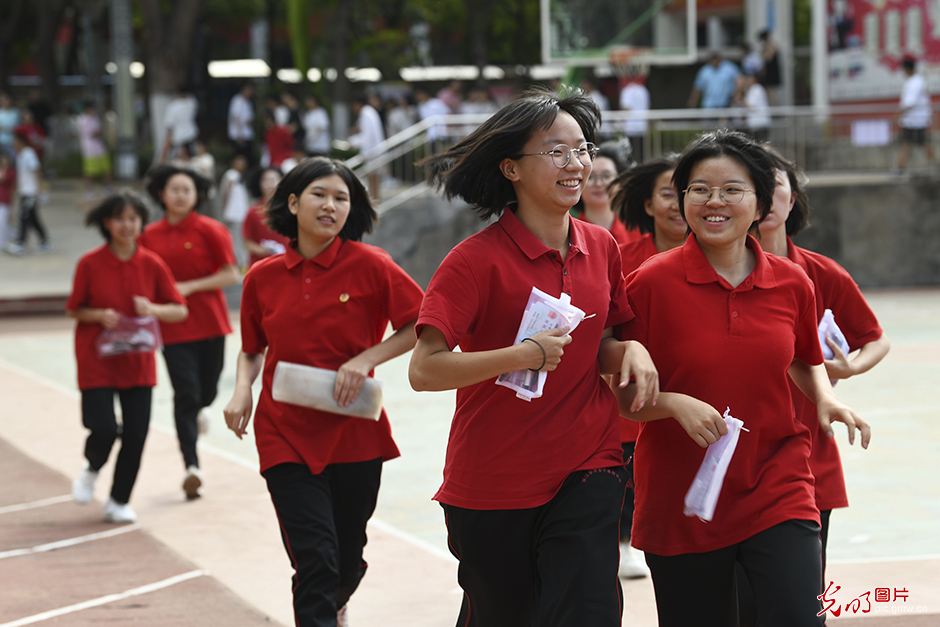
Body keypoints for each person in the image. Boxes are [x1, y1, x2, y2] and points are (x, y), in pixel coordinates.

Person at [408, 88, 659, 627]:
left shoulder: (603, 247)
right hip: (493, 482)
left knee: (589, 611)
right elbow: (424, 369)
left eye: (582, 148)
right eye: (556, 152)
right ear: (511, 169)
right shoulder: (473, 261)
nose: (577, 165)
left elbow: (600, 346)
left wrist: (631, 348)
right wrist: (518, 355)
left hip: (588, 466)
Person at [613, 129, 870, 627]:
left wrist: (824, 399)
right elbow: (624, 398)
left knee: (799, 614)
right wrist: (673, 405)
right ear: (683, 200)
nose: (715, 201)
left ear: (760, 204)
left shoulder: (793, 281)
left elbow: (803, 355)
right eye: (699, 189)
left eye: (733, 190)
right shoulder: (650, 283)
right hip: (683, 493)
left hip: (778, 478)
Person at [223, 157, 424, 626]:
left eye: (341, 198)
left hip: (355, 430)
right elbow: (252, 350)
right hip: (283, 432)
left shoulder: (373, 265)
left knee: (347, 559)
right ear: (292, 203)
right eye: (319, 194)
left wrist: (366, 358)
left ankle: (335, 600)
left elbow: (421, 326)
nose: (330, 205)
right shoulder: (262, 277)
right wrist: (240, 391)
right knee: (314, 559)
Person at [760, 146, 890, 587]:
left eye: (773, 184)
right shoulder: (706, 272)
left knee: (801, 592)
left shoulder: (821, 273)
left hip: (808, 448)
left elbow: (876, 338)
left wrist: (849, 369)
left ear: (792, 197)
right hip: (735, 447)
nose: (764, 196)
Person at [67, 192, 188, 523]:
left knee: (136, 433)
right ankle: (92, 467)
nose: (127, 225)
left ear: (142, 223)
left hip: (138, 363)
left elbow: (179, 309)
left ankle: (118, 500)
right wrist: (97, 315)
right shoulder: (90, 263)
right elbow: (73, 308)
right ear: (107, 223)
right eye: (120, 218)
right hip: (97, 361)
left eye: (133, 219)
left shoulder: (152, 264)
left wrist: (154, 309)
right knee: (104, 428)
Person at [140, 165, 239, 499]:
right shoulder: (148, 235)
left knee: (207, 392)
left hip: (211, 323)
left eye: (187, 190)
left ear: (197, 195)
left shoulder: (211, 230)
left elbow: (230, 274)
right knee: (185, 394)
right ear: (161, 194)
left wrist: (189, 286)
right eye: (174, 189)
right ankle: (191, 466)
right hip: (172, 328)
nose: (181, 195)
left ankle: (201, 409)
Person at [608, 153, 685, 579]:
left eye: (685, 192)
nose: (677, 203)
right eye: (667, 193)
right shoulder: (620, 258)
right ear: (649, 203)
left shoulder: (727, 258)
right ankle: (625, 542)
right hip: (633, 409)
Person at [571, 140, 640, 247]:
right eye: (590, 177)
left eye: (606, 176)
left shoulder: (639, 235)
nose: (598, 184)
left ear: (621, 181)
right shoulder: (568, 236)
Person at [5, 132, 51, 256]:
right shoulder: (20, 156)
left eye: (15, 142)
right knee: (33, 218)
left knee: (24, 216)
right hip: (24, 191)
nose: (14, 144)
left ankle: (21, 243)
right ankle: (44, 241)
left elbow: (36, 171)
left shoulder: (29, 154)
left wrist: (40, 189)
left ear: (21, 142)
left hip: (31, 192)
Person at [242, 166, 289, 268]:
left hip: (286, 263)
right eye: (266, 180)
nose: (270, 184)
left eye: (274, 180)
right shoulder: (253, 211)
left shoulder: (290, 209)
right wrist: (263, 250)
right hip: (260, 265)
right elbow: (247, 242)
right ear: (259, 183)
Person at [895, 56, 935, 171]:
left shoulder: (916, 82)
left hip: (916, 119)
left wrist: (898, 114)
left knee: (917, 142)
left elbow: (909, 102)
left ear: (907, 69)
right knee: (909, 142)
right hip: (912, 119)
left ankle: (935, 165)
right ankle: (900, 167)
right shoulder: (915, 81)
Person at [349, 95, 386, 201]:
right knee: (374, 178)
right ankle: (375, 201)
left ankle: (374, 202)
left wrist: (353, 142)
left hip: (372, 151)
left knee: (372, 178)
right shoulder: (369, 112)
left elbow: (367, 136)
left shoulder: (366, 113)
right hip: (374, 150)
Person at [77, 102, 113, 200]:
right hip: (89, 150)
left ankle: (108, 187)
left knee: (107, 169)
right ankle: (89, 190)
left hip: (100, 148)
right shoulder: (82, 120)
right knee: (89, 172)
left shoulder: (95, 118)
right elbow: (93, 133)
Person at [220, 154, 251, 267]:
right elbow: (226, 193)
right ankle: (240, 263)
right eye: (239, 162)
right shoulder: (231, 174)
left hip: (240, 214)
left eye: (243, 163)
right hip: (234, 214)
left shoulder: (240, 176)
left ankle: (241, 263)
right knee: (236, 240)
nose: (241, 165)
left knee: (239, 239)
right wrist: (225, 209)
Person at [162, 87, 199, 163]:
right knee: (187, 159)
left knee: (182, 160)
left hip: (180, 136)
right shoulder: (192, 102)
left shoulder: (174, 106)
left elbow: (170, 125)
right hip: (187, 135)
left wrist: (168, 139)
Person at [619, 72, 651, 162]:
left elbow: (626, 107)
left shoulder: (627, 91)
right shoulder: (643, 90)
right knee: (641, 150)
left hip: (630, 125)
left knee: (630, 150)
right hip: (642, 124)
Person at [734, 73, 771, 142]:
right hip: (754, 126)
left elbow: (751, 107)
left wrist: (741, 99)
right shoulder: (751, 90)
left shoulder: (756, 89)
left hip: (760, 124)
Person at [228, 82, 255, 162]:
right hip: (240, 135)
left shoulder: (248, 101)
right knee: (239, 157)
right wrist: (239, 134)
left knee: (247, 157)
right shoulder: (237, 100)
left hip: (247, 133)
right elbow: (235, 118)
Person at [758, 30, 782, 105]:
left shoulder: (771, 46)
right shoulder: (767, 46)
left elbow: (769, 58)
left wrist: (764, 54)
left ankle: (776, 108)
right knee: (768, 90)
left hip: (772, 70)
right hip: (768, 70)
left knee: (770, 90)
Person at [0, 153, 14, 248]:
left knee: (3, 222)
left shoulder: (11, 172)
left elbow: (3, 179)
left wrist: (4, 168)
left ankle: (2, 242)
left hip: (4, 200)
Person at [0, 93, 20, 158]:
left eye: (7, 100)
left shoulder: (16, 112)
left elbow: (19, 126)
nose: (5, 102)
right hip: (2, 141)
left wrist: (8, 129)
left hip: (14, 140)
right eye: (3, 101)